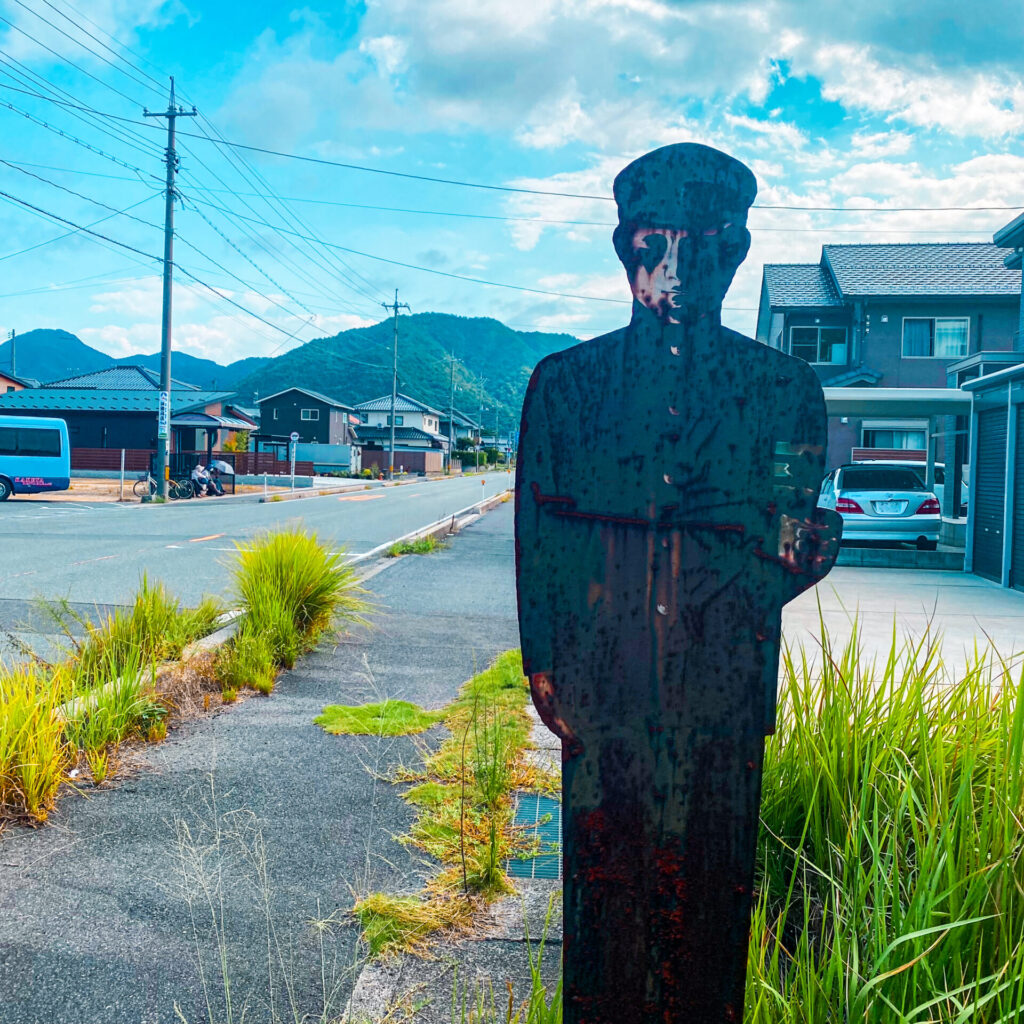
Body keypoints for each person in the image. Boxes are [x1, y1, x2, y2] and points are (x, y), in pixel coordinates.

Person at [515, 142, 841, 1023]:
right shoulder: (565, 387)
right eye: (656, 242)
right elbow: (536, 538)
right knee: (602, 906)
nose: (677, 268)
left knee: (710, 914)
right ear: (625, 248)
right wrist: (542, 662)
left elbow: (791, 540)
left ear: (733, 255)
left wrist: (775, 537)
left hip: (724, 691)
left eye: (705, 246)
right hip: (599, 688)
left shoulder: (784, 391)